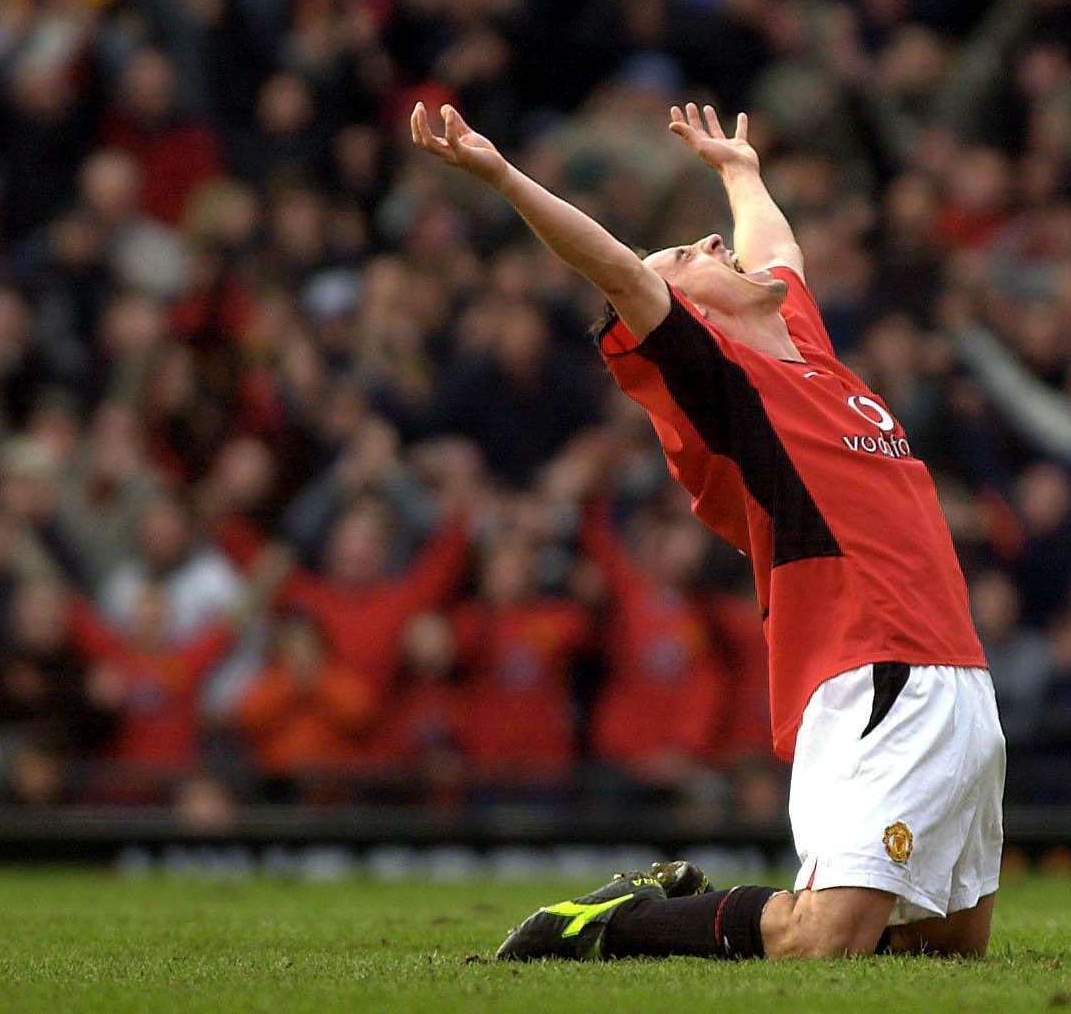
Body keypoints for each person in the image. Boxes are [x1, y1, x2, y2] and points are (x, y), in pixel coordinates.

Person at [409, 99, 1004, 960]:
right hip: (872, 668)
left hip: (961, 677)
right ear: (698, 322)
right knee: (822, 941)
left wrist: (741, 174)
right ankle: (610, 925)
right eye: (689, 256)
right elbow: (618, 272)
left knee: (945, 954)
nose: (713, 244)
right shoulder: (729, 381)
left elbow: (775, 247)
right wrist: (502, 176)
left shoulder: (804, 345)